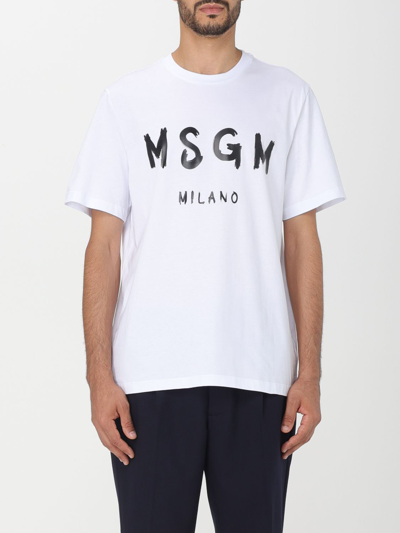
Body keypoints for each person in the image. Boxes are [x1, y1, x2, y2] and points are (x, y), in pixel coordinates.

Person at [65, 1, 346, 531]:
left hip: (259, 374)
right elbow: (103, 247)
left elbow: (302, 243)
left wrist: (310, 373)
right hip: (148, 378)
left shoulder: (289, 97)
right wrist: (98, 377)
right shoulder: (126, 101)